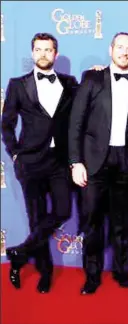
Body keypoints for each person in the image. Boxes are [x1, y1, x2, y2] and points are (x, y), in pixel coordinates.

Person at [68, 32, 128, 295]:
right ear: (111, 49)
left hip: (126, 161)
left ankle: (120, 272)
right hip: (94, 161)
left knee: (122, 223)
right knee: (92, 221)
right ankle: (92, 276)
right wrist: (75, 162)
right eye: (120, 47)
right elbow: (76, 123)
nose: (125, 52)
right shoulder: (92, 78)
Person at [1, 32, 78, 293]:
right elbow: (7, 125)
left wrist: (98, 73)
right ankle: (45, 272)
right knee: (36, 218)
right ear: (32, 53)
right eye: (39, 50)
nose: (43, 54)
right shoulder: (17, 84)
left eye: (48, 50)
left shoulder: (70, 83)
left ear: (55, 54)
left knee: (63, 210)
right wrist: (14, 154)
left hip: (59, 162)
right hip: (30, 162)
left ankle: (20, 253)